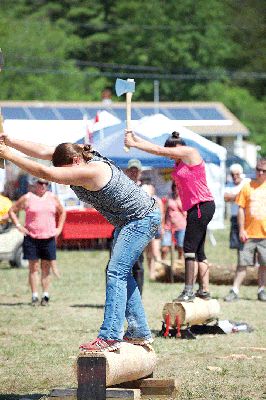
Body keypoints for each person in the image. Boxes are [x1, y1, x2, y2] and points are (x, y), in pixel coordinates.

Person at [0, 133, 160, 352]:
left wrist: (8, 155)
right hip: (128, 221)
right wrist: (9, 141)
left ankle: (111, 336)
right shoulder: (75, 157)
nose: (63, 177)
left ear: (75, 162)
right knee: (120, 272)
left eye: (64, 171)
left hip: (140, 218)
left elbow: (45, 171)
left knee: (116, 272)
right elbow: (42, 150)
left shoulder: (92, 169)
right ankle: (139, 331)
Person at [125, 130, 215, 302]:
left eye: (171, 152)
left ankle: (188, 291)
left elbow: (159, 150)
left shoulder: (190, 152)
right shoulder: (181, 161)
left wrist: (135, 144)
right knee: (198, 251)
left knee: (188, 248)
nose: (170, 157)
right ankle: (204, 290)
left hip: (200, 205)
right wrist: (136, 138)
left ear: (176, 147)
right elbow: (158, 148)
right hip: (197, 207)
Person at [8, 177, 66, 306]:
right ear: (35, 184)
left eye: (46, 183)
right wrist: (18, 225)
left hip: (48, 238)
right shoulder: (27, 197)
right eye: (41, 183)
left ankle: (45, 295)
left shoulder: (52, 197)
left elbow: (62, 212)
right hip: (32, 237)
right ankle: (34, 296)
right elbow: (12, 210)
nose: (44, 185)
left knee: (46, 267)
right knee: (33, 268)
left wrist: (59, 228)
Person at [224, 158, 266, 302]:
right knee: (242, 263)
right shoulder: (247, 186)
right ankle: (234, 290)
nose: (260, 173)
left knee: (264, 265)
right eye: (258, 169)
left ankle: (262, 290)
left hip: (264, 234)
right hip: (248, 233)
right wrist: (242, 229)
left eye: (264, 171)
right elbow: (240, 209)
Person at [125, 158, 145, 294]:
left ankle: (137, 295)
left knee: (137, 265)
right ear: (127, 171)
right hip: (123, 229)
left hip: (139, 231)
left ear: (140, 172)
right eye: (131, 170)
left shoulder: (146, 189)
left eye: (136, 170)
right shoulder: (122, 188)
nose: (133, 172)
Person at [224, 164, 250, 261]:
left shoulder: (247, 182)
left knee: (250, 241)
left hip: (247, 217)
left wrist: (234, 196)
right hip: (235, 217)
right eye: (232, 174)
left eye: (237, 174)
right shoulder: (229, 185)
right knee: (238, 244)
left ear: (241, 173)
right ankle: (241, 262)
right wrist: (242, 196)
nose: (235, 176)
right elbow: (226, 198)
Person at [142, 182, 164, 281]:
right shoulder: (142, 201)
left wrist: (161, 227)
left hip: (156, 229)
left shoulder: (157, 200)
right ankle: (152, 273)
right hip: (146, 229)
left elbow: (161, 215)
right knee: (148, 253)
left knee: (155, 252)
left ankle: (160, 272)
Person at [161, 181, 186, 261]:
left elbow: (186, 213)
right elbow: (164, 212)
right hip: (168, 226)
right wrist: (162, 226)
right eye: (175, 186)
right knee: (165, 247)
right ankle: (162, 263)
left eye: (179, 187)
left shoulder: (184, 198)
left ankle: (180, 262)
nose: (177, 189)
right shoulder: (168, 198)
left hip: (181, 226)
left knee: (180, 247)